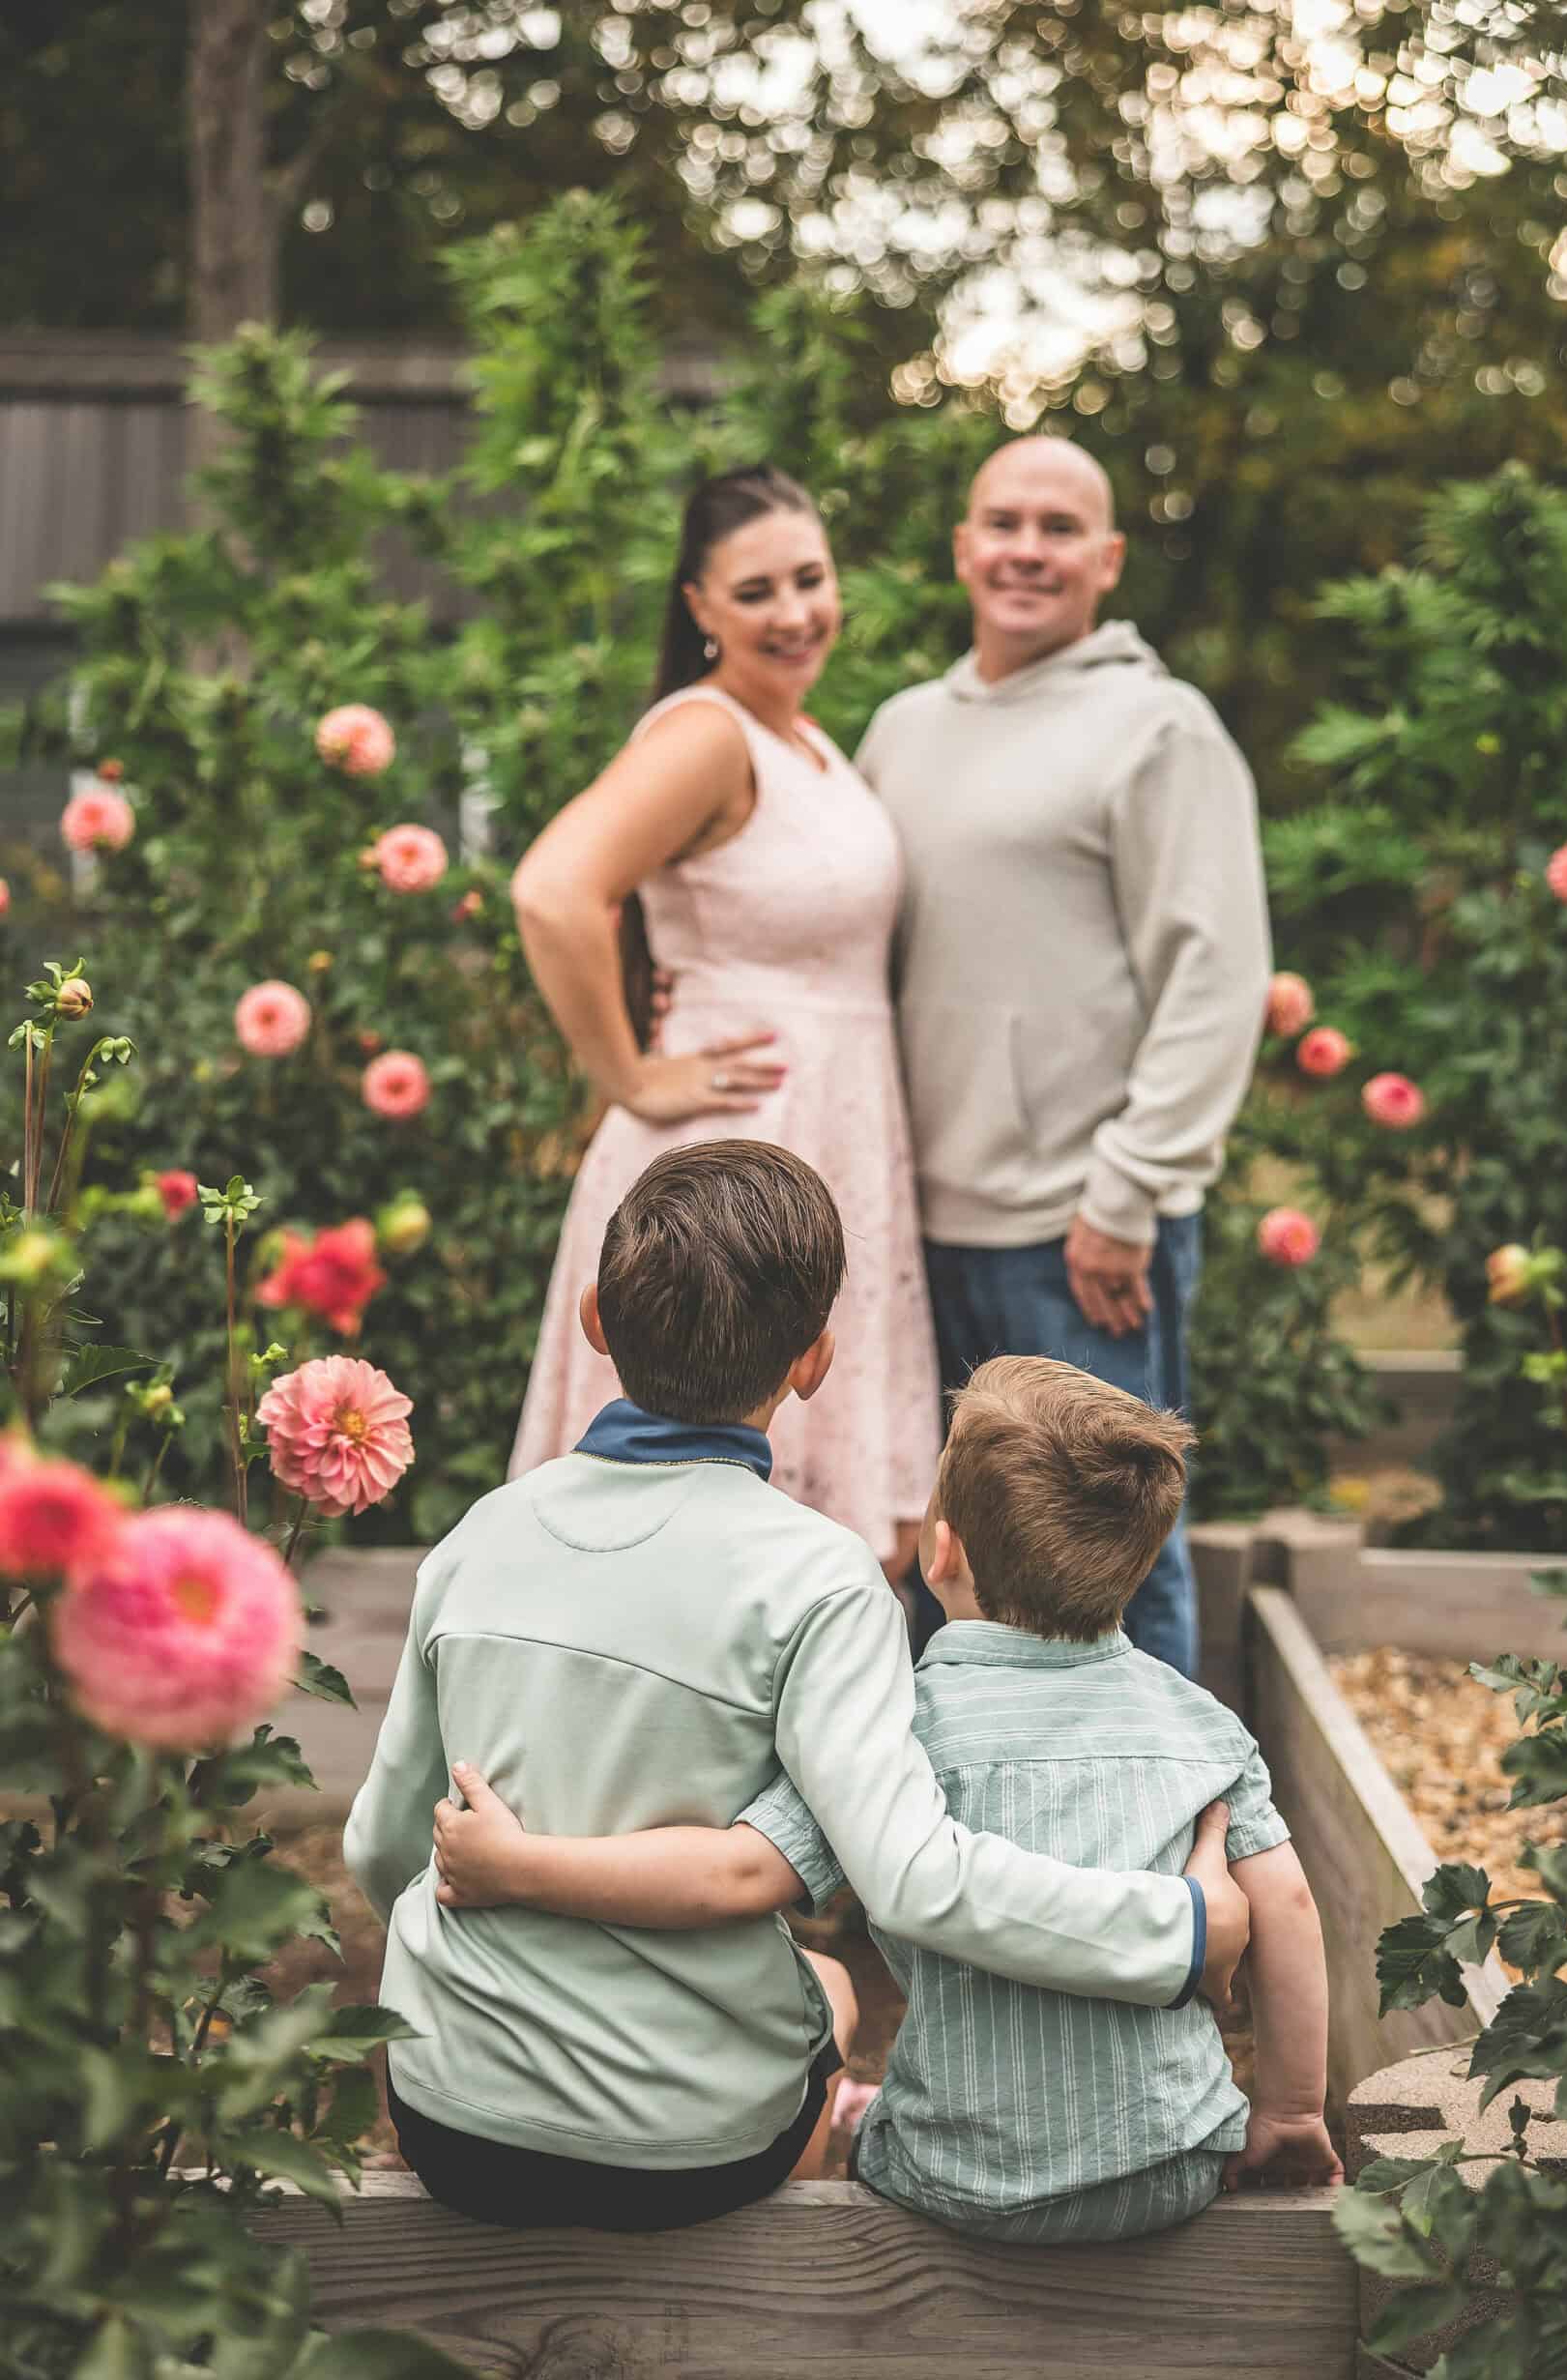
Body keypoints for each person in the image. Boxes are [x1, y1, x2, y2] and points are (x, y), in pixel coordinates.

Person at [344, 1143, 1248, 2233]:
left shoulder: (475, 1539)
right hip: (685, 2154)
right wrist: (1183, 1928)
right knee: (830, 1991)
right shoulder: (825, 1581)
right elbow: (912, 1883)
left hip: (452, 2126)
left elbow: (380, 1851)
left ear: (592, 1316)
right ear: (814, 1360)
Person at [433, 1355, 1340, 2245]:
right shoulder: (1202, 1728)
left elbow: (737, 1871)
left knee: (852, 2104)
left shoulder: (899, 1725)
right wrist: (1290, 2111)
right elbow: (1288, 1907)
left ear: (939, 1552)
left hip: (955, 2177)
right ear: (1135, 1567)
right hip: (1170, 2167)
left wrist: (524, 1865)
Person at [863, 436, 1272, 1672]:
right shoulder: (900, 728)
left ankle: (1163, 1849)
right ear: (962, 547)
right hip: (921, 1227)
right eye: (1003, 521)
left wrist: (1128, 1190)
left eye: (1058, 526)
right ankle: (981, 1837)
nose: (1026, 548)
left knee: (1113, 1562)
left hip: (1080, 1237)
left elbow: (1218, 973)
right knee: (954, 1560)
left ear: (1106, 559)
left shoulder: (1159, 728)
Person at [507, 462, 937, 1582]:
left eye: (811, 579)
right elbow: (553, 891)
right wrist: (634, 1076)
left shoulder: (810, 742)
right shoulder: (707, 735)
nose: (794, 613)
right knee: (674, 1533)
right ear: (698, 606)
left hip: (833, 1138)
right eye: (756, 592)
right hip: (735, 1153)